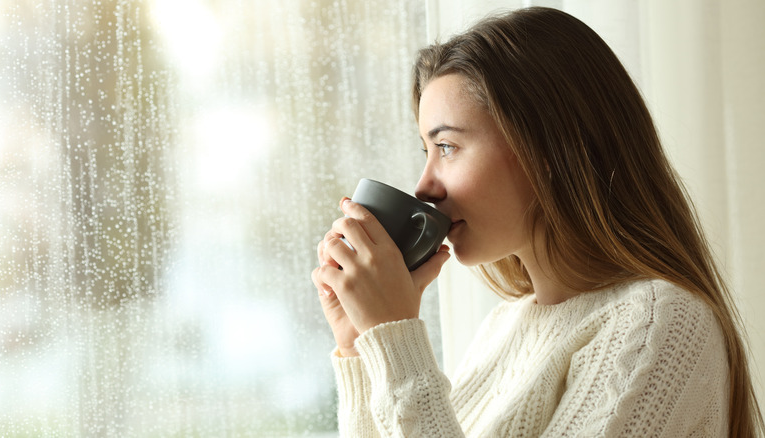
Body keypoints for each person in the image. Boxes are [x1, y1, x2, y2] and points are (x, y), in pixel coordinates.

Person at [311, 6, 763, 437]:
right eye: (425, 152)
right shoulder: (503, 328)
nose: (424, 185)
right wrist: (360, 349)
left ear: (545, 148)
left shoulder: (659, 322)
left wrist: (394, 340)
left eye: (446, 147)